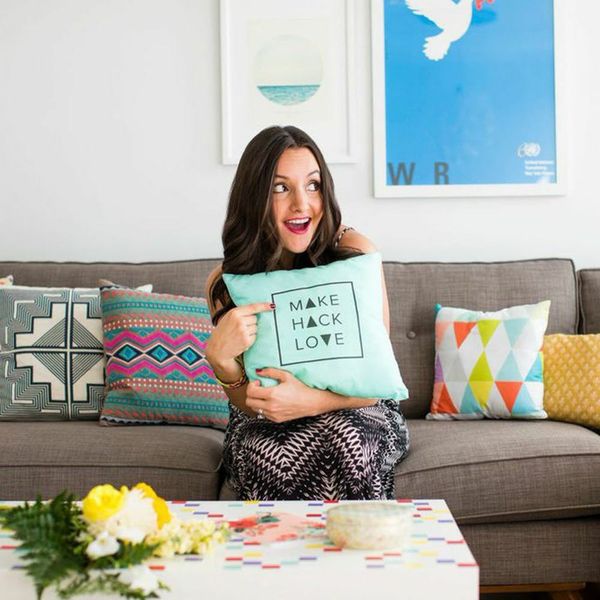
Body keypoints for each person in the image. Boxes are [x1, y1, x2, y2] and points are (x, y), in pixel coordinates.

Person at [204, 125, 409, 500]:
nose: (302, 204)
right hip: (265, 418)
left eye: (313, 185)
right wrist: (221, 362)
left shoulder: (355, 254)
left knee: (344, 438)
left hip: (361, 410)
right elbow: (247, 400)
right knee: (269, 454)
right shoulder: (227, 282)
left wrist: (314, 401)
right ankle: (278, 539)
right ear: (254, 197)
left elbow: (375, 384)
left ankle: (357, 537)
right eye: (280, 188)